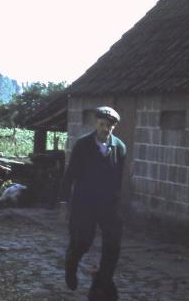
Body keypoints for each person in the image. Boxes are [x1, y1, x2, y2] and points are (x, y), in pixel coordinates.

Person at [59, 106, 126, 301]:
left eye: (110, 126)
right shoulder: (83, 145)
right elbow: (69, 176)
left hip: (108, 204)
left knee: (113, 244)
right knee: (83, 242)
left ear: (114, 127)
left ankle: (101, 285)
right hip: (84, 204)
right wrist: (64, 203)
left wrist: (117, 206)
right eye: (102, 124)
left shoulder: (119, 148)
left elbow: (118, 179)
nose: (105, 129)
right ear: (96, 123)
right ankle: (71, 262)